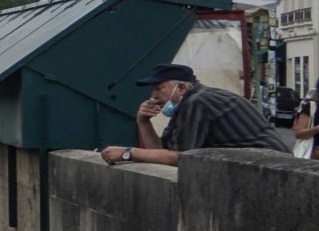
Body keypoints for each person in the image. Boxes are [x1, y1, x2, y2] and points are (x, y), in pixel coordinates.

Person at [99, 63, 294, 167]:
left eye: (159, 88)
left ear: (181, 87)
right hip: (260, 166)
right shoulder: (192, 101)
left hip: (273, 168)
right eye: (152, 90)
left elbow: (179, 159)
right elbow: (160, 152)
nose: (154, 96)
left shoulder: (199, 102)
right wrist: (143, 122)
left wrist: (128, 153)